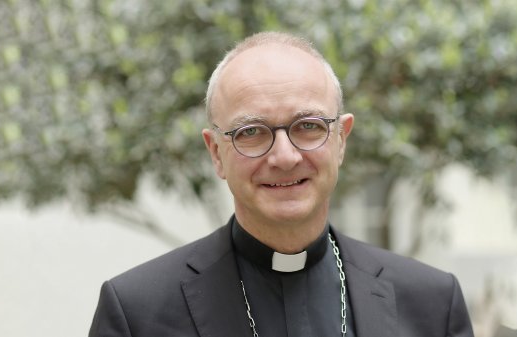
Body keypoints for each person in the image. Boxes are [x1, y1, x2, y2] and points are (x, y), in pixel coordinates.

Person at [89, 31, 475, 337]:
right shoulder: (137, 313)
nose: (285, 156)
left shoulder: (432, 305)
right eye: (252, 132)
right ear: (216, 153)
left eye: (308, 126)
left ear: (341, 138)